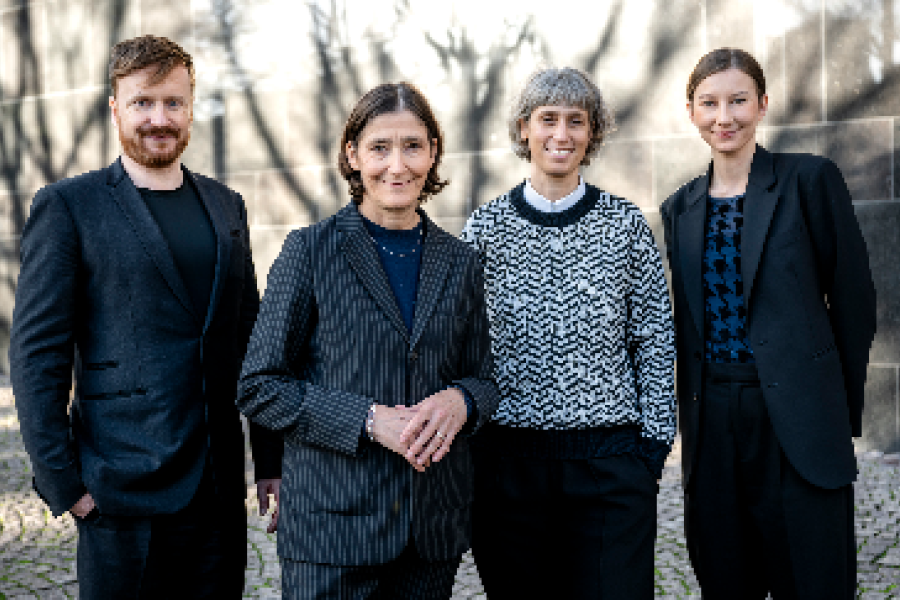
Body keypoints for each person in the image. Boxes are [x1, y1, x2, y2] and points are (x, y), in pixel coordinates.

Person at [9, 35, 282, 600]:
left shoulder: (226, 203)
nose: (159, 117)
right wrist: (66, 484)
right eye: (142, 102)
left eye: (173, 102)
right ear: (115, 106)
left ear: (190, 106)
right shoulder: (67, 207)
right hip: (119, 491)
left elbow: (251, 341)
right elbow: (37, 355)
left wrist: (270, 459)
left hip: (217, 490)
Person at [237, 81, 499, 600]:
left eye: (413, 146)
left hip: (430, 533)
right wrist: (368, 420)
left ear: (433, 154)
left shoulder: (462, 261)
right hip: (331, 533)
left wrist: (462, 399)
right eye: (380, 148)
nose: (397, 166)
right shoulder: (309, 251)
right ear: (352, 155)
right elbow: (259, 385)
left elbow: (486, 379)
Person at [660, 47, 876, 599]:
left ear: (761, 106)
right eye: (709, 103)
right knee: (727, 576)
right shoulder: (678, 208)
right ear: (691, 112)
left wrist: (837, 412)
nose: (724, 116)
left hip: (800, 413)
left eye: (737, 100)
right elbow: (686, 323)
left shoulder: (809, 180)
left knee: (812, 577)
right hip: (714, 420)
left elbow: (854, 301)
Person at [462, 66, 676, 600]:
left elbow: (654, 335)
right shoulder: (484, 229)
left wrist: (652, 445)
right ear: (523, 129)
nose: (561, 134)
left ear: (593, 132)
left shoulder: (625, 225)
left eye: (576, 121)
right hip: (510, 466)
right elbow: (463, 342)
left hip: (609, 466)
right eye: (547, 119)